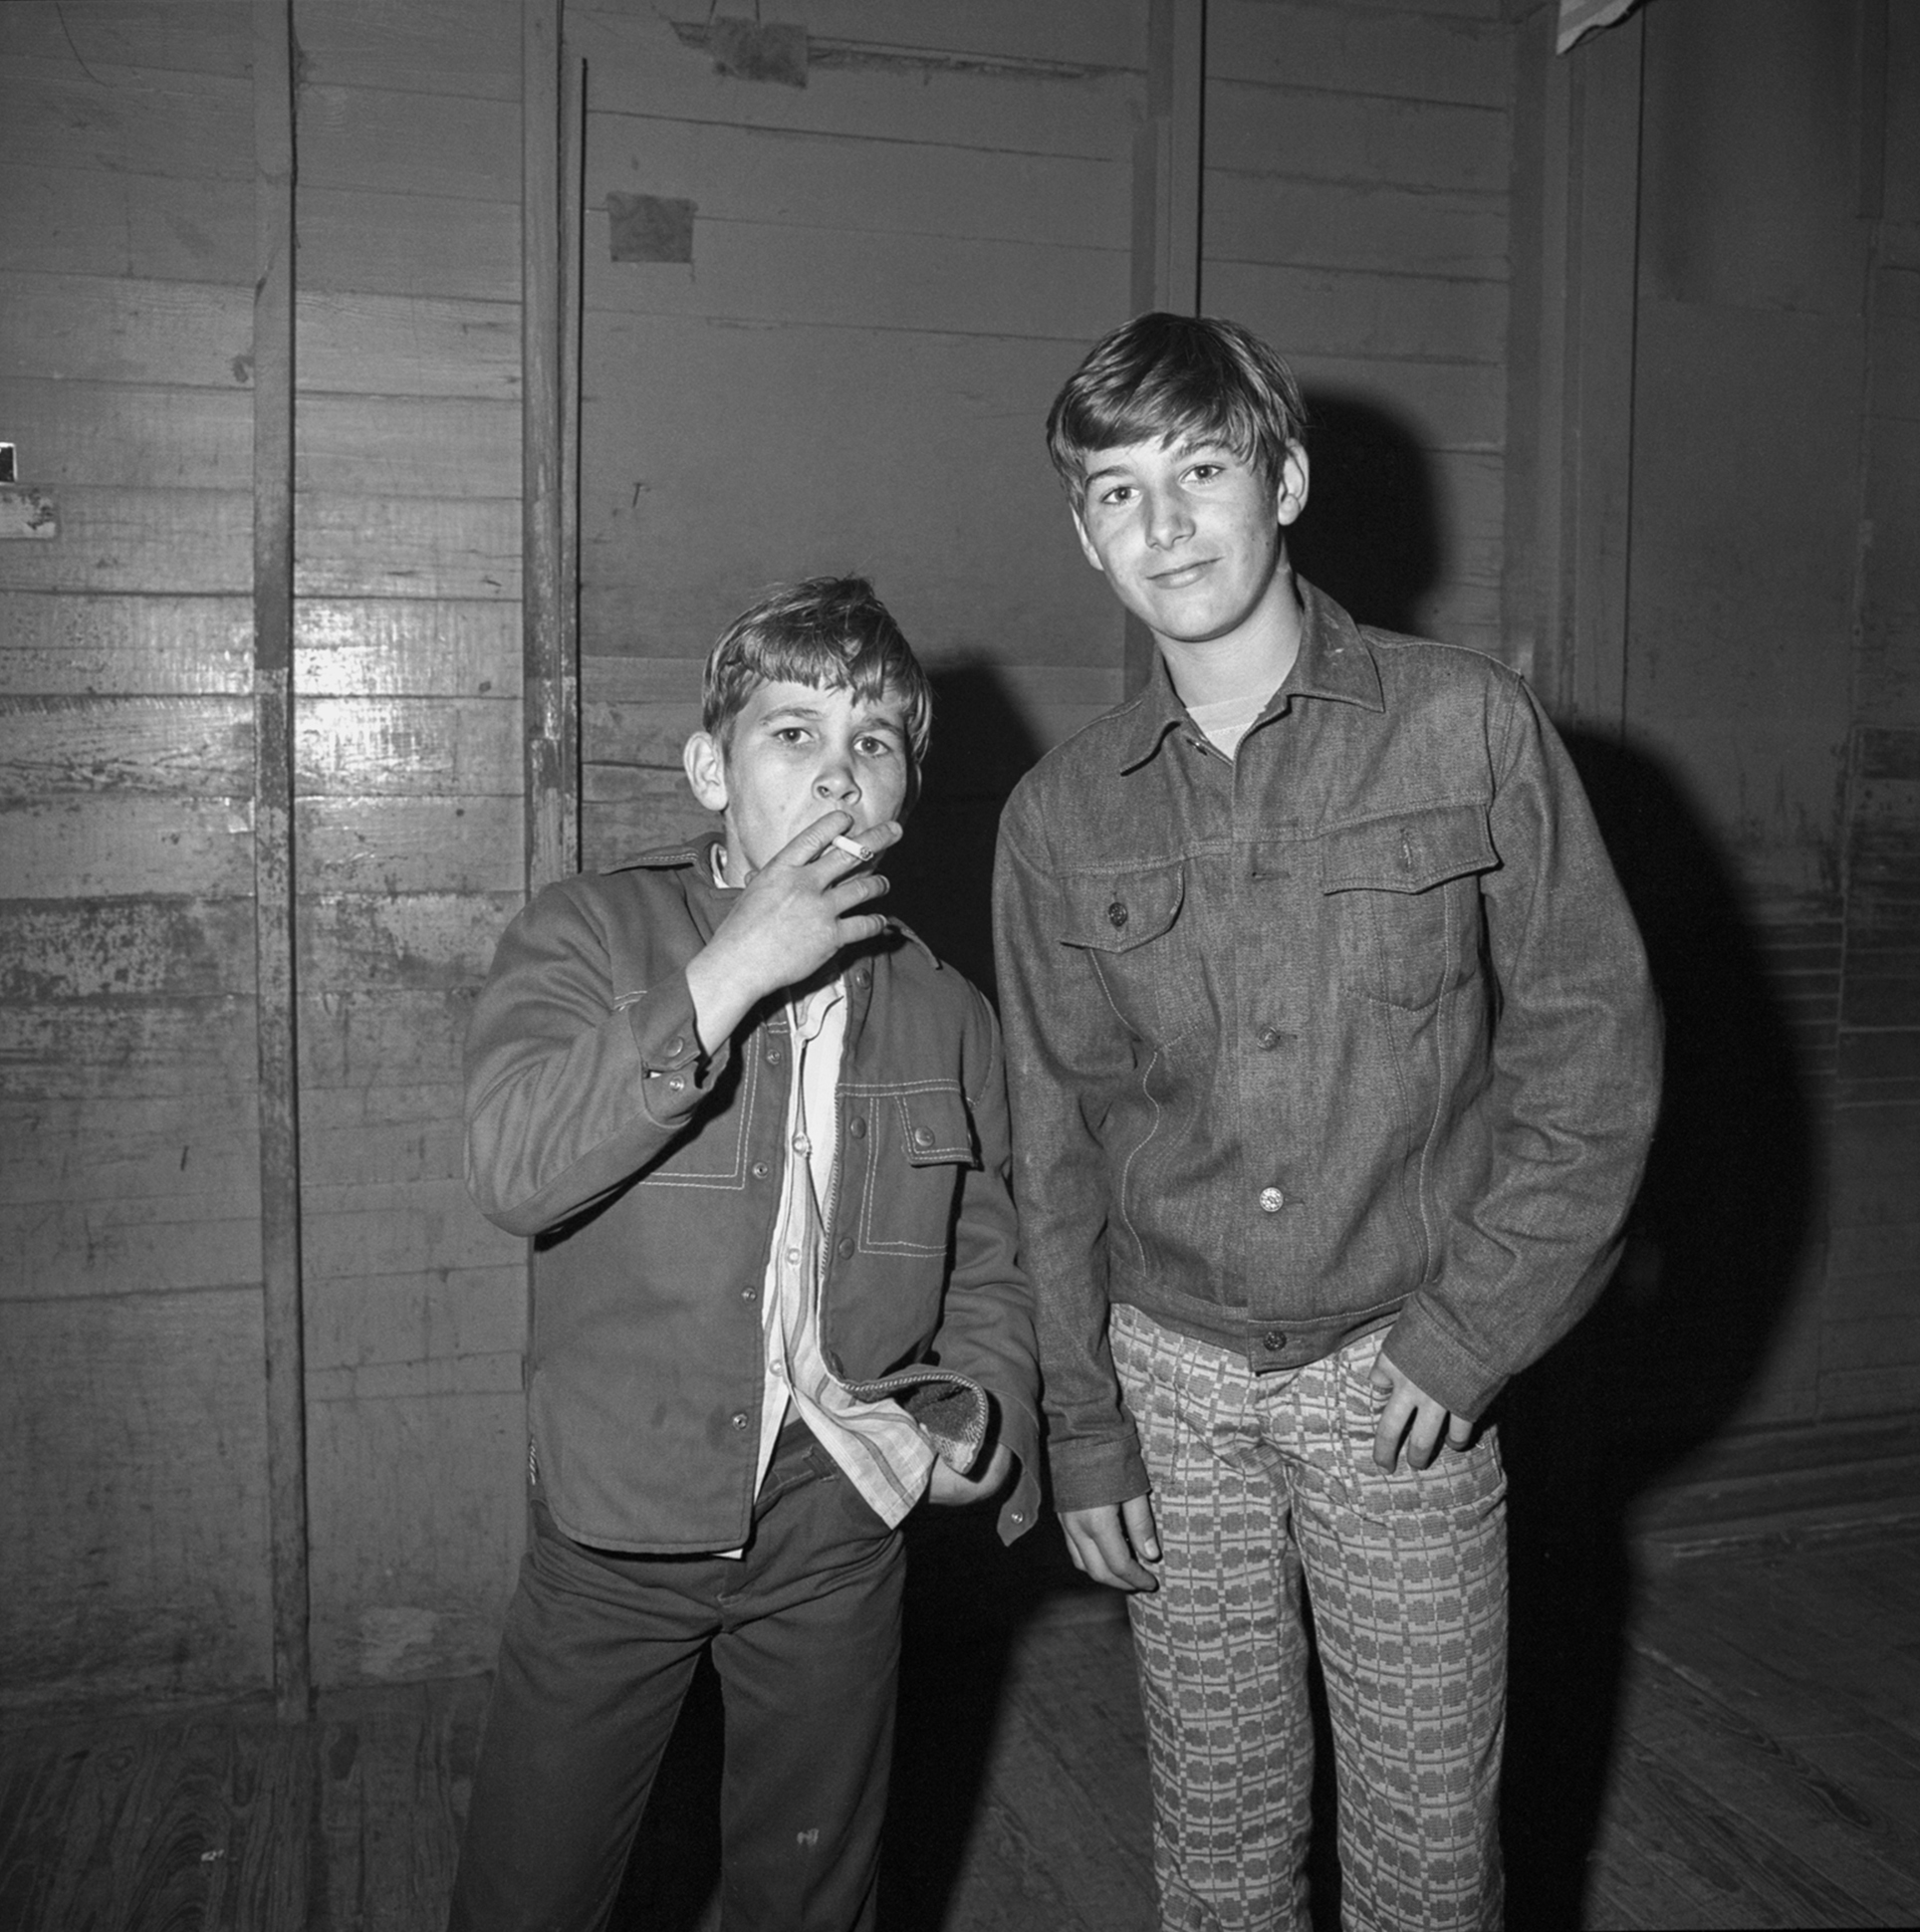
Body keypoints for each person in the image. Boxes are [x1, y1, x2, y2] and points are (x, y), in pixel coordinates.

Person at [992, 313, 1661, 1931]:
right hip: (1172, 1390)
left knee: (1431, 1853)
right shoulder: (1058, 816)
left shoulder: (1467, 727)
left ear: (1282, 479)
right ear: (1084, 536)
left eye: (1202, 468)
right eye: (1117, 492)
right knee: (1217, 1846)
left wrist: (1473, 1329)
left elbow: (1592, 1056)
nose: (1166, 524)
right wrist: (1084, 1425)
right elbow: (1055, 1143)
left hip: (1402, 1380)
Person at [450, 576, 1041, 1932]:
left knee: (812, 1886)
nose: (836, 777)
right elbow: (514, 1167)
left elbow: (991, 1247)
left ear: (904, 793)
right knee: (530, 1894)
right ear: (712, 768)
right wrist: (733, 970)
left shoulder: (945, 1008)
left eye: (873, 745)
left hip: (836, 1517)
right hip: (619, 1523)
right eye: (793, 735)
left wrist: (979, 1400)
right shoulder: (589, 933)